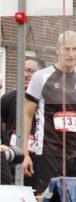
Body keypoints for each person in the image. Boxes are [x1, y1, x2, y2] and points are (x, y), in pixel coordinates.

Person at [23, 31, 76, 195]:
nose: (71, 54)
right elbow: (26, 115)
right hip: (48, 153)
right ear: (57, 50)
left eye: (75, 49)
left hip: (75, 155)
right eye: (66, 49)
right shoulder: (41, 77)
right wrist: (24, 153)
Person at [1, 57, 42, 185]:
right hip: (12, 163)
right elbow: (4, 129)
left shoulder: (47, 101)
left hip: (38, 163)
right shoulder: (7, 99)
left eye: (30, 71)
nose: (26, 75)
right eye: (23, 71)